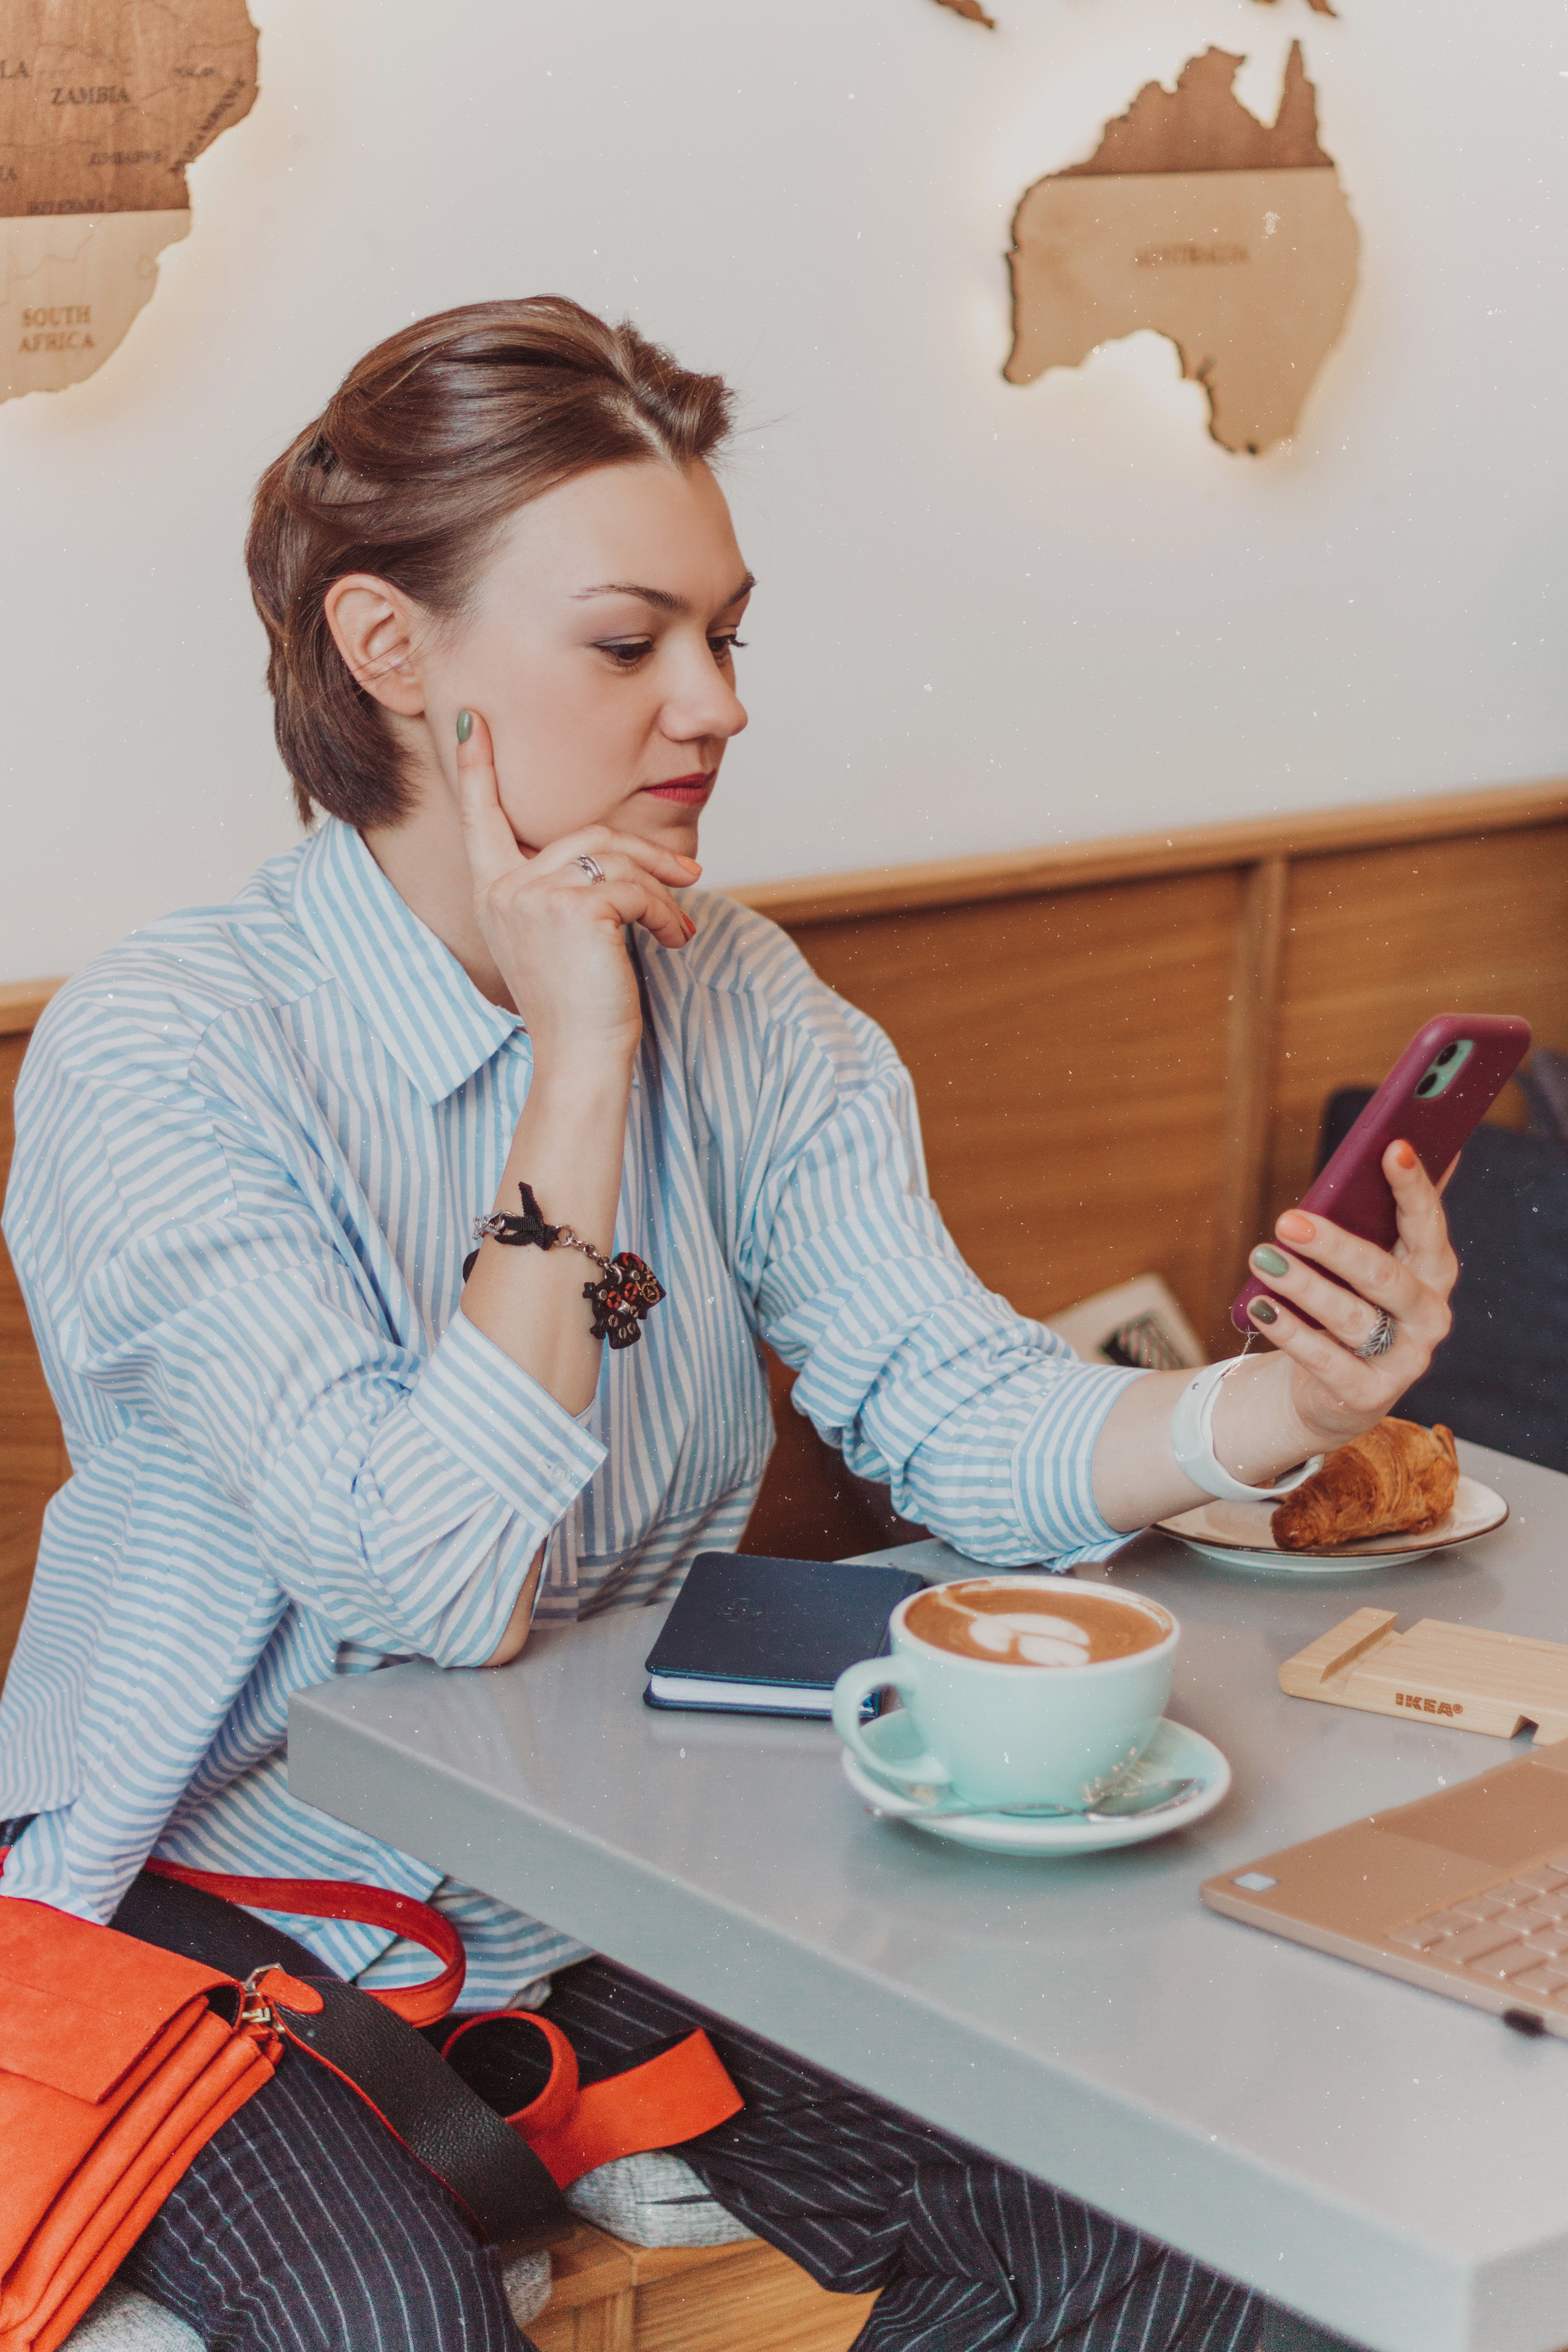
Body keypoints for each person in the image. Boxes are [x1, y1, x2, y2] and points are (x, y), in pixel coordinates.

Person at [0, 298, 1457, 2352]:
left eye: (726, 636)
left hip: (612, 1879)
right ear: (388, 652)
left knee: (1163, 2226)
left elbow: (952, 1407)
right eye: (628, 643)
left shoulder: (748, 996)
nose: (713, 705)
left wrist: (1271, 1406)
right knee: (389, 2322)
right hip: (211, 1895)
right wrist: (577, 1068)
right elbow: (428, 1578)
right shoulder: (165, 1055)